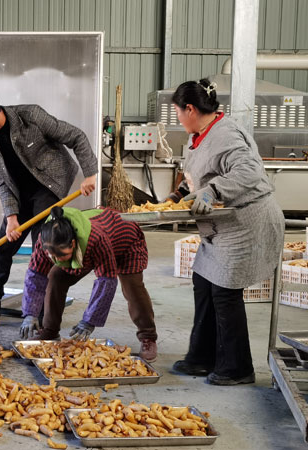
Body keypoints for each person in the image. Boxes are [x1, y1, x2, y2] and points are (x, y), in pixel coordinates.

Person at [168, 78, 285, 385]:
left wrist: (213, 191)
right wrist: (179, 196)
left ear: (190, 109)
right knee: (202, 280)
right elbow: (200, 172)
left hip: (247, 222)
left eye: (178, 112)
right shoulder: (201, 134)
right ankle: (202, 358)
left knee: (224, 291)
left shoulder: (226, 133)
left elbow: (249, 171)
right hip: (221, 227)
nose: (178, 118)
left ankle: (237, 368)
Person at [0, 91, 98, 321]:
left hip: (48, 184)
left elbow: (76, 136)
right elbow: (0, 177)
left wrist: (91, 174)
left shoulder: (31, 116)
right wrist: (11, 215)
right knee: (3, 246)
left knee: (42, 246)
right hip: (18, 191)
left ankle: (44, 309)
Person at [19, 206, 158, 362]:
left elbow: (106, 282)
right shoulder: (46, 239)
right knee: (55, 276)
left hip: (126, 242)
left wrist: (89, 321)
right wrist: (30, 314)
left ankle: (148, 337)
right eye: (53, 256)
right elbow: (35, 277)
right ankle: (50, 330)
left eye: (63, 256)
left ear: (73, 243)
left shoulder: (96, 240)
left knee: (133, 289)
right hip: (94, 245)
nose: (58, 260)